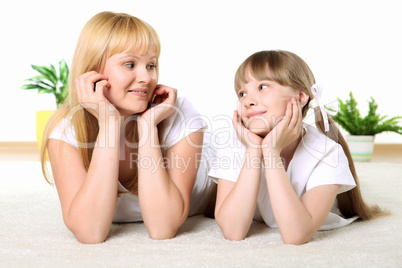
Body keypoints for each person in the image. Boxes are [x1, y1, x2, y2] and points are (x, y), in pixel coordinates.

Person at [40, 11, 216, 244]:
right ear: (93, 72)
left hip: (225, 184)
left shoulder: (178, 112)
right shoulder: (66, 132)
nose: (146, 77)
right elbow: (90, 233)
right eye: (130, 64)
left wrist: (147, 127)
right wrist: (109, 124)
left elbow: (163, 227)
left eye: (151, 65)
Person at [209, 50, 385, 245]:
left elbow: (295, 235)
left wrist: (271, 152)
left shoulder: (327, 152)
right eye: (242, 93)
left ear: (301, 97)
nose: (248, 101)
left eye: (263, 86)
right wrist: (253, 149)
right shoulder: (232, 143)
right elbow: (233, 231)